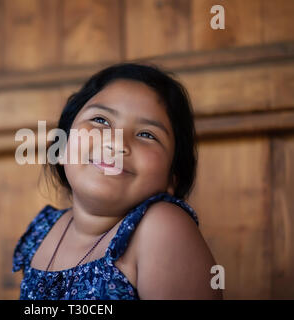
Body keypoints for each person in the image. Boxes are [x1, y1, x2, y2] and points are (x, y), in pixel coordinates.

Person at [12, 63, 222, 300]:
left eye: (146, 134)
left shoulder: (161, 227)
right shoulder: (41, 233)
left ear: (172, 178)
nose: (116, 143)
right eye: (100, 120)